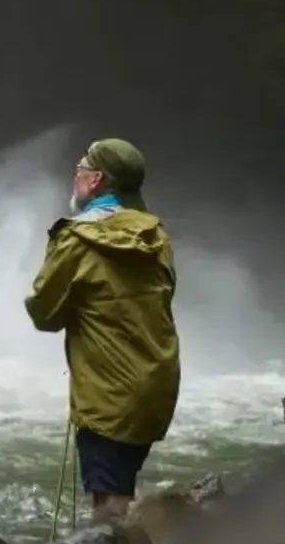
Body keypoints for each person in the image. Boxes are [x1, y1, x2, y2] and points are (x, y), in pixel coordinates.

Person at [25, 138, 181, 520]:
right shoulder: (156, 237)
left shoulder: (76, 238)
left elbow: (43, 312)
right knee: (120, 484)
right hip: (155, 386)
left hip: (108, 394)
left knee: (108, 507)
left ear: (95, 181)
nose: (74, 177)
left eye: (79, 170)